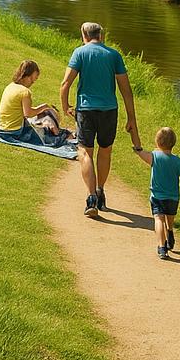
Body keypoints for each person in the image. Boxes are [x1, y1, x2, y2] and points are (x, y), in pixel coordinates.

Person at [60, 21, 140, 218]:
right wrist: (131, 118)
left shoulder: (79, 53)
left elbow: (65, 83)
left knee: (84, 152)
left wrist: (65, 106)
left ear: (84, 36)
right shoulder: (114, 55)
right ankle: (100, 191)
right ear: (101, 36)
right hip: (109, 111)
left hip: (86, 110)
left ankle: (91, 198)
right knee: (105, 151)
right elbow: (126, 90)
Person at [134, 127, 180, 260]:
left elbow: (142, 154)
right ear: (173, 143)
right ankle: (170, 232)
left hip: (157, 197)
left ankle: (162, 247)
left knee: (159, 219)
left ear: (157, 142)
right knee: (169, 219)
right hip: (173, 198)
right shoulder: (178, 161)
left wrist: (137, 149)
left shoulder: (154, 156)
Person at [0, 60, 72, 147]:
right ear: (29, 76)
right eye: (33, 80)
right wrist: (43, 107)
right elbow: (28, 114)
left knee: (35, 124)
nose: (32, 83)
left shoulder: (10, 86)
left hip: (1, 129)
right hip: (13, 132)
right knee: (44, 137)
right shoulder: (25, 92)